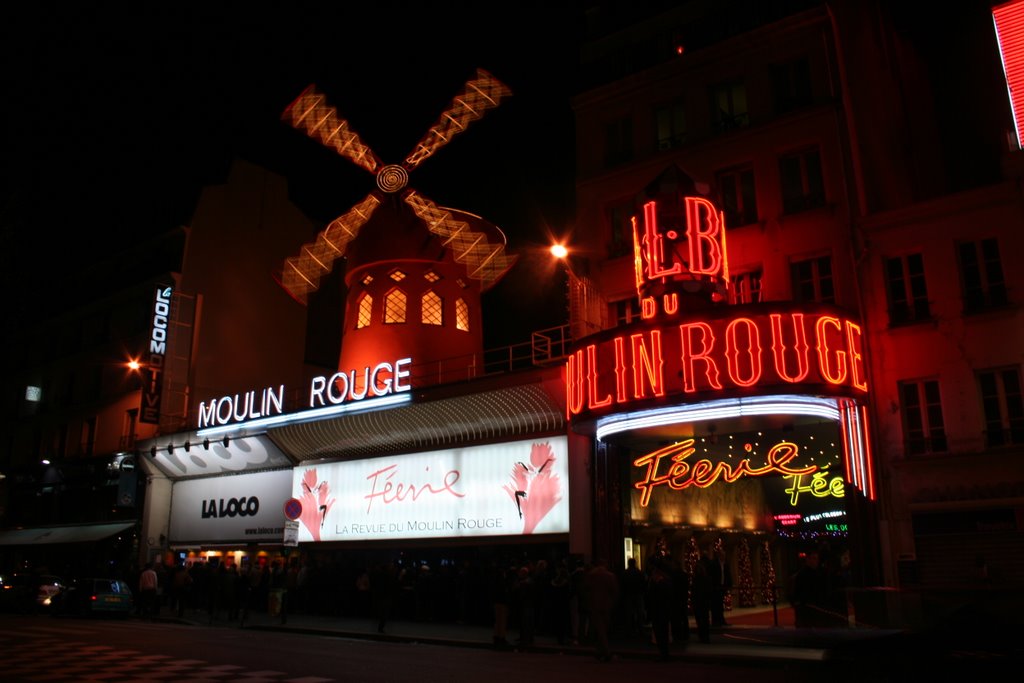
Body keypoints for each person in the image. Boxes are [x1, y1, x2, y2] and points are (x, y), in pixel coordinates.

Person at [584, 559, 619, 662]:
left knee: (600, 628)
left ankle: (602, 651)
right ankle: (603, 652)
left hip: (595, 604)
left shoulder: (591, 575)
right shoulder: (610, 576)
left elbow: (586, 589)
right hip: (607, 604)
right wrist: (612, 602)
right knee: (604, 627)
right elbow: (615, 591)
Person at [645, 556, 674, 661]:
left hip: (660, 609)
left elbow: (659, 595)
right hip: (660, 609)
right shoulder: (662, 579)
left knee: (661, 631)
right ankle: (663, 653)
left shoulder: (661, 580)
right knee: (661, 631)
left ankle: (664, 653)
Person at [791, 550, 828, 627]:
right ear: (808, 560)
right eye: (813, 558)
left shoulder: (819, 573)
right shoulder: (802, 575)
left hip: (817, 606)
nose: (816, 561)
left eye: (817, 559)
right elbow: (798, 591)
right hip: (807, 607)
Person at [622, 557, 647, 637]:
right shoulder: (639, 572)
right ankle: (641, 629)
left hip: (628, 595)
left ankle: (629, 630)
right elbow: (644, 583)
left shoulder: (625, 573)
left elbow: (622, 584)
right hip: (638, 594)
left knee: (628, 613)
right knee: (639, 612)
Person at [707, 547, 732, 627]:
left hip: (722, 587)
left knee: (720, 605)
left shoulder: (725, 564)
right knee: (715, 605)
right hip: (715, 588)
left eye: (724, 555)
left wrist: (728, 585)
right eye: (722, 555)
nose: (723, 556)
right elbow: (711, 576)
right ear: (719, 555)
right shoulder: (713, 564)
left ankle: (721, 620)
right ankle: (715, 621)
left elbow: (727, 575)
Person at [669, 556, 691, 644]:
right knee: (684, 617)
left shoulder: (673, 575)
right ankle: (685, 634)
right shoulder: (684, 574)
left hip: (676, 599)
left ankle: (677, 634)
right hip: (683, 598)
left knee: (676, 618)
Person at [690, 554, 712, 643]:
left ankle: (703, 636)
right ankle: (704, 636)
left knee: (701, 620)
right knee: (702, 620)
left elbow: (695, 592)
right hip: (701, 602)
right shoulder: (703, 579)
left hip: (701, 602)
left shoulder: (698, 579)